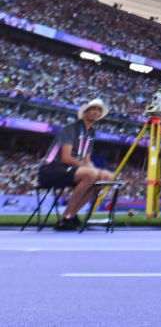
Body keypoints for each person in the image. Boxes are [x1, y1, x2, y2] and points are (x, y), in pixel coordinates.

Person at [37, 99, 114, 231]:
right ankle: (66, 216)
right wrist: (90, 170)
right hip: (51, 169)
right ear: (85, 112)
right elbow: (66, 157)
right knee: (91, 174)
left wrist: (96, 171)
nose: (96, 112)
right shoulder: (70, 129)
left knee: (106, 177)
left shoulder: (91, 133)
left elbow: (87, 159)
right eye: (93, 109)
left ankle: (72, 215)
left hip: (70, 170)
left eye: (99, 110)